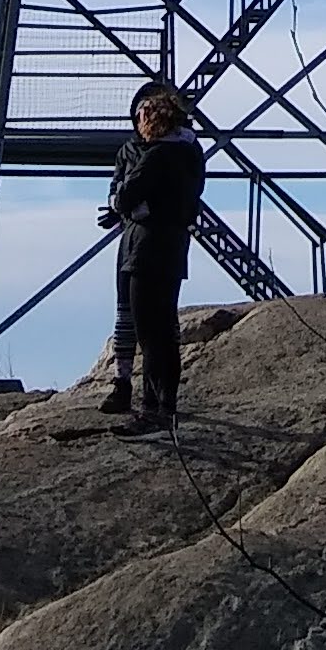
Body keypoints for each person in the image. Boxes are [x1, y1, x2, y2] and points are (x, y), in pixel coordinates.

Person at [97, 84, 207, 433]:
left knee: (150, 333)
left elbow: (126, 194)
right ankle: (164, 406)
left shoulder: (157, 155)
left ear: (154, 118)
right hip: (173, 247)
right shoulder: (190, 154)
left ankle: (152, 409)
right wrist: (131, 203)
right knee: (164, 332)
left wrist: (126, 204)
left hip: (145, 249)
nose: (138, 121)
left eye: (143, 115)